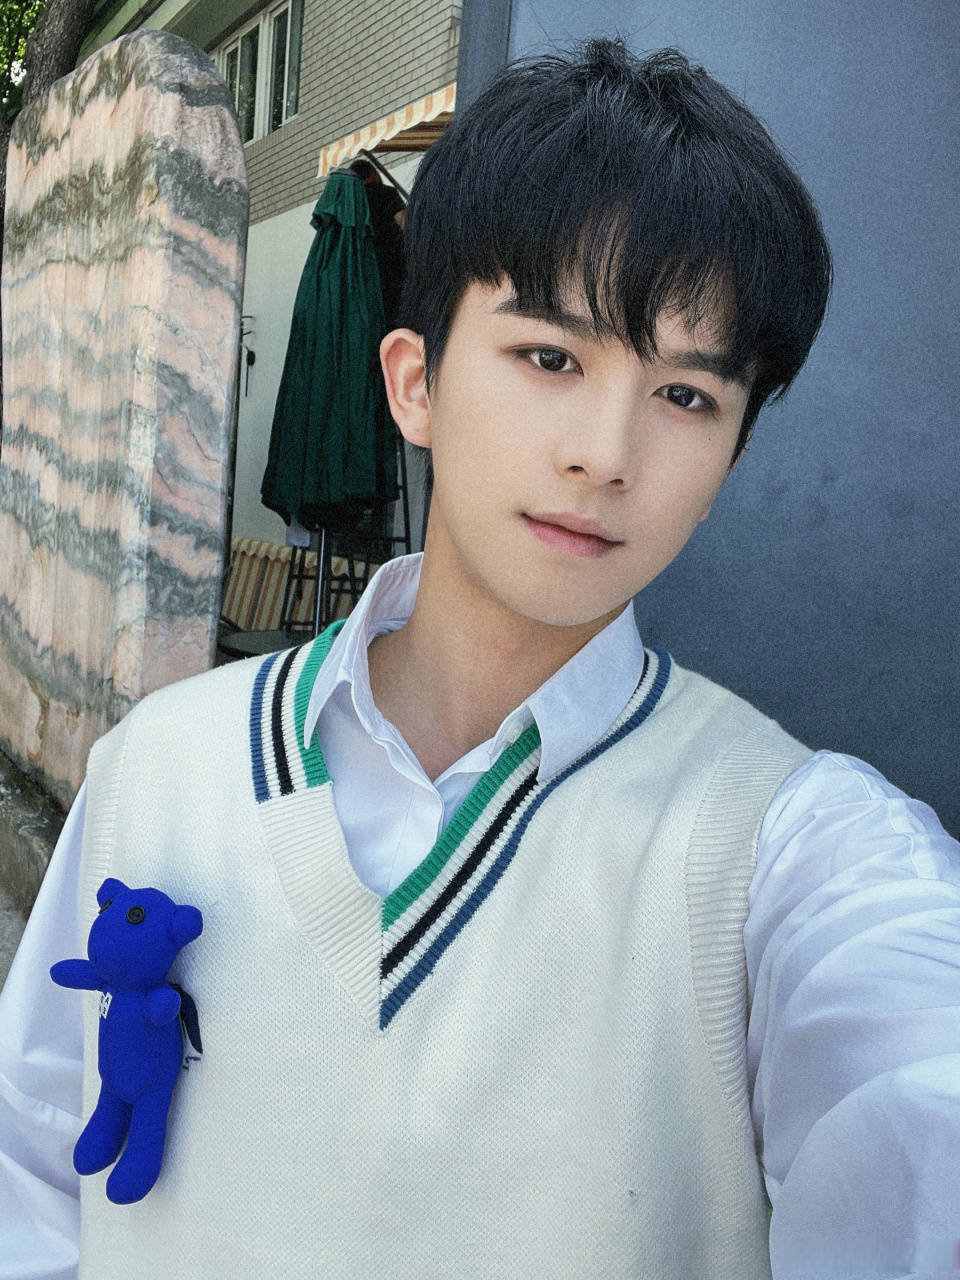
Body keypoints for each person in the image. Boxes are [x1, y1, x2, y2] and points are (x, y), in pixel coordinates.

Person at [2, 38, 959, 1280]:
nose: (605, 453)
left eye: (685, 396)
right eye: (551, 357)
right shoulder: (159, 766)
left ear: (731, 455)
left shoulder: (786, 849)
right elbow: (30, 1182)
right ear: (415, 382)